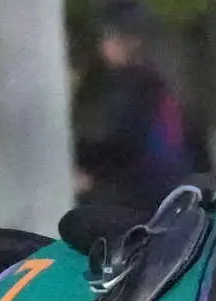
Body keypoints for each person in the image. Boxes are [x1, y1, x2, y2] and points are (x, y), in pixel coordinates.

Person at [74, 0, 196, 214]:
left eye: (108, 36)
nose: (103, 45)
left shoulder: (134, 87)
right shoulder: (158, 84)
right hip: (168, 196)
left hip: (136, 200)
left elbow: (120, 144)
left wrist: (88, 172)